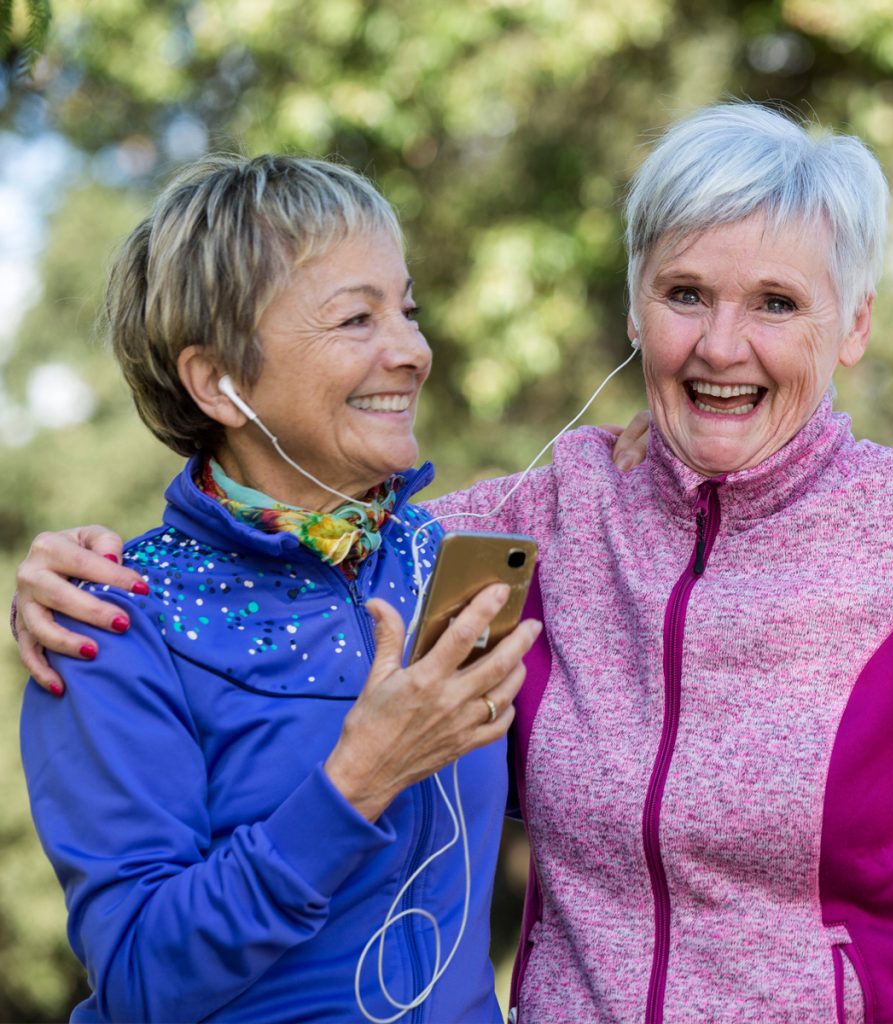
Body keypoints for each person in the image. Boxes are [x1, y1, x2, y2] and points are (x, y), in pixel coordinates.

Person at [16, 103, 893, 1023]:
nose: (722, 345)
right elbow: (282, 530)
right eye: (684, 294)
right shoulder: (507, 531)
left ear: (853, 323)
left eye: (775, 303)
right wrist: (69, 562)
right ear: (636, 312)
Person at [16, 153, 550, 1023]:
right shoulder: (110, 618)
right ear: (218, 382)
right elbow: (142, 982)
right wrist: (357, 780)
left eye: (407, 310)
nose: (412, 351)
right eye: (356, 319)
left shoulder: (452, 557)